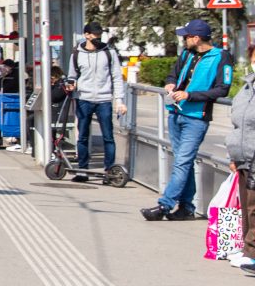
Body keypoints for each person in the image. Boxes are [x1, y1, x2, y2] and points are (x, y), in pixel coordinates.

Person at [144, 20, 231, 221]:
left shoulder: (221, 57)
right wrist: (170, 84)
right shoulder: (186, 54)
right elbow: (172, 74)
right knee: (184, 162)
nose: (184, 39)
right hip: (175, 114)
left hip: (196, 118)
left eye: (186, 36)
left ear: (196, 38)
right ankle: (186, 207)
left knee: (182, 162)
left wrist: (189, 96)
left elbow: (222, 89)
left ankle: (164, 206)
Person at [63, 22, 125, 181]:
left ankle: (109, 172)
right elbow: (72, 75)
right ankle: (83, 170)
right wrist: (71, 84)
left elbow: (117, 77)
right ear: (86, 35)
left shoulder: (109, 52)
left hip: (104, 100)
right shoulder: (76, 53)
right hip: (84, 99)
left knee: (108, 137)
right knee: (82, 135)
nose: (97, 38)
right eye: (94, 35)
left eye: (99, 35)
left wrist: (119, 100)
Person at [224, 44, 255, 272]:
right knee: (246, 206)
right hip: (243, 155)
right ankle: (248, 249)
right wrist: (234, 154)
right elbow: (237, 123)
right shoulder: (246, 87)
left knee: (254, 206)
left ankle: (251, 252)